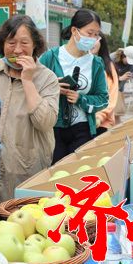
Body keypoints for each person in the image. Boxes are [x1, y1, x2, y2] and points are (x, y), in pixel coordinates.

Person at [0, 15, 59, 210]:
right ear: (2, 44)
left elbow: (45, 122)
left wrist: (27, 80)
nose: (17, 50)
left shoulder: (47, 78)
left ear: (35, 45)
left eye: (24, 42)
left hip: (27, 172)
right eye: (11, 42)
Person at [39, 9, 109, 164]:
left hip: (82, 129)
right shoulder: (51, 57)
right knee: (54, 175)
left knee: (78, 174)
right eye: (89, 33)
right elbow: (32, 86)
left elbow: (103, 99)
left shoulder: (95, 63)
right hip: (52, 129)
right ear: (74, 31)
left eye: (96, 35)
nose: (93, 39)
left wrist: (81, 99)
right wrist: (53, 86)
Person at [91, 33, 120, 135]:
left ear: (101, 42)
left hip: (101, 123)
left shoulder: (108, 67)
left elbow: (111, 96)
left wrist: (100, 116)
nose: (91, 42)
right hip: (79, 123)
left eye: (95, 39)